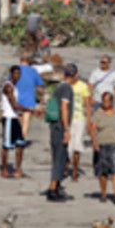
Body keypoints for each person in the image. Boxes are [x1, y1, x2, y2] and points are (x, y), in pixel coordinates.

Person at [46, 63, 78, 202]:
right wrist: (66, 128)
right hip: (59, 127)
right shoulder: (66, 88)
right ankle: (53, 189)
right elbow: (64, 108)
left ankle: (57, 186)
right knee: (60, 157)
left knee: (60, 156)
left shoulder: (59, 86)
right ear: (74, 75)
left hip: (54, 126)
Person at [0, 65, 37, 178]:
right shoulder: (8, 87)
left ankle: (18, 169)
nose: (18, 76)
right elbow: (14, 104)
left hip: (14, 118)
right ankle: (5, 170)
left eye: (19, 74)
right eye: (15, 73)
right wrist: (29, 110)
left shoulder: (14, 87)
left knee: (20, 144)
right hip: (9, 118)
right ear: (11, 74)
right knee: (7, 145)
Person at [89, 91, 115, 203]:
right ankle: (104, 193)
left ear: (112, 101)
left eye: (108, 101)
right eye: (104, 101)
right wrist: (94, 142)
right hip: (102, 145)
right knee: (103, 171)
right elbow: (92, 129)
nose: (106, 103)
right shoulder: (98, 113)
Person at [69, 70, 91, 182]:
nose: (70, 77)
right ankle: (65, 166)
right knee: (67, 146)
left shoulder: (82, 86)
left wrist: (89, 121)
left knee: (77, 146)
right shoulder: (65, 85)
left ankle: (74, 171)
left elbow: (87, 103)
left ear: (76, 75)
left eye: (71, 75)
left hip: (79, 119)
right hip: (67, 119)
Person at [15, 57, 44, 141]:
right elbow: (39, 86)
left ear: (21, 61)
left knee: (16, 117)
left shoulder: (15, 70)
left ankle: (16, 135)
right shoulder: (33, 71)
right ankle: (22, 139)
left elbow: (9, 84)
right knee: (26, 119)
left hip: (16, 98)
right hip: (29, 99)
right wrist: (42, 95)